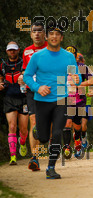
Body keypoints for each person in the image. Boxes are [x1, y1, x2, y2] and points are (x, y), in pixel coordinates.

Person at [24, 25, 82, 179]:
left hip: (61, 99)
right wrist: (38, 87)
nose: (54, 37)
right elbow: (27, 76)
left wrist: (77, 79)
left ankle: (51, 168)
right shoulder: (38, 56)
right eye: (51, 34)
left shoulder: (69, 56)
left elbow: (77, 76)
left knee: (57, 133)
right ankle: (39, 130)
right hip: (41, 101)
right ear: (46, 37)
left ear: (61, 38)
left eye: (57, 34)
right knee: (43, 137)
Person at [18, 21, 48, 171]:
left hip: (50, 90)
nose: (36, 33)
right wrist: (21, 77)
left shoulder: (52, 48)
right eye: (34, 31)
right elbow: (25, 71)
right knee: (33, 121)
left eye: (39, 31)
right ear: (31, 34)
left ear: (44, 34)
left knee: (47, 124)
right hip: (32, 90)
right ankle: (34, 158)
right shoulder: (26, 51)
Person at [63, 46, 93, 158]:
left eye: (72, 55)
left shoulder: (81, 67)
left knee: (77, 125)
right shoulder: (61, 67)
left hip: (79, 100)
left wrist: (80, 84)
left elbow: (92, 80)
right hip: (65, 99)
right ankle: (66, 147)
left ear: (76, 56)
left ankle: (78, 145)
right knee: (67, 123)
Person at [0, 41, 28, 165]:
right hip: (9, 98)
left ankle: (22, 143)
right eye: (10, 50)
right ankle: (13, 157)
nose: (12, 51)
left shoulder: (24, 63)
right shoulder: (2, 65)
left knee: (23, 130)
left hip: (24, 98)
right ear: (7, 51)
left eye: (14, 49)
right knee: (12, 127)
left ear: (18, 50)